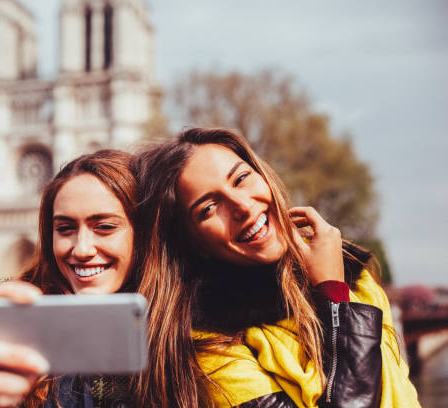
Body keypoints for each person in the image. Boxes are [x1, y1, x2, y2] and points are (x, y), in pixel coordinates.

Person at [136, 128, 421, 407]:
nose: (243, 207)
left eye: (241, 179)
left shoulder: (358, 282)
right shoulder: (209, 347)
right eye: (209, 208)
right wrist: (334, 300)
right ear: (192, 242)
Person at [0, 150, 198, 408]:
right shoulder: (21, 313)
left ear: (143, 233)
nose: (81, 249)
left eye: (104, 227)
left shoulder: (190, 324)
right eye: (65, 228)